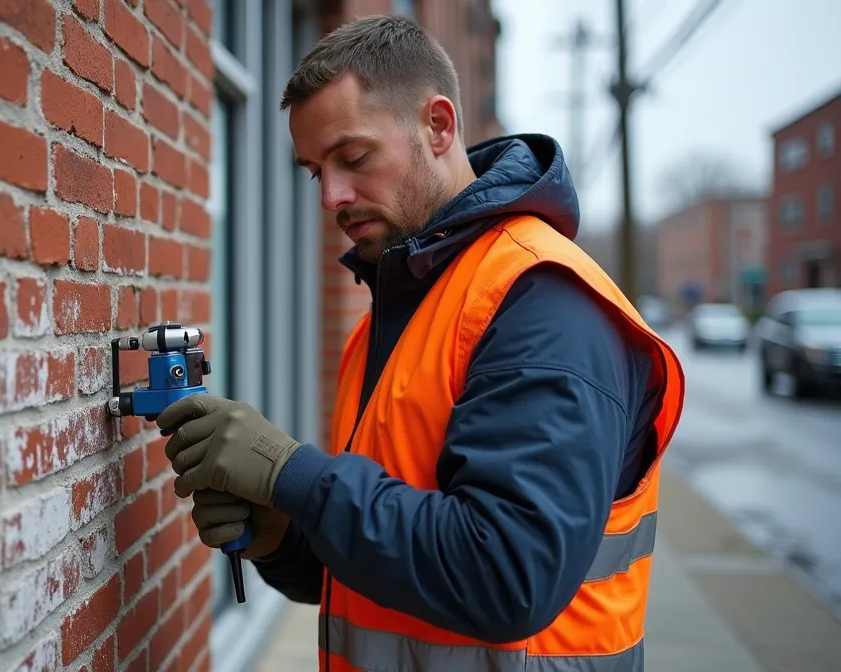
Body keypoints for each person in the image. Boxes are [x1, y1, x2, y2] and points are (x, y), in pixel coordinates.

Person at [156, 14, 686, 672]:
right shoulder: (399, 313)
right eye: (314, 171)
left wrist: (292, 474)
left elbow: (506, 577)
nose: (332, 197)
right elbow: (389, 567)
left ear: (438, 126)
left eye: (352, 158)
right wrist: (285, 538)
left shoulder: (544, 304)